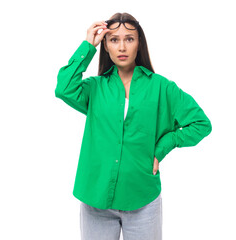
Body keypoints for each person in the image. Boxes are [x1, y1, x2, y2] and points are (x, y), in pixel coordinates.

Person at [55, 12, 212, 240]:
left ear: (139, 44)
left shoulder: (162, 88)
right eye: (114, 39)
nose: (122, 47)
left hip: (142, 198)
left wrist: (164, 146)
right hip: (96, 198)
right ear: (106, 46)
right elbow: (63, 88)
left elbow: (201, 123)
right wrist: (88, 45)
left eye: (129, 39)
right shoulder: (95, 88)